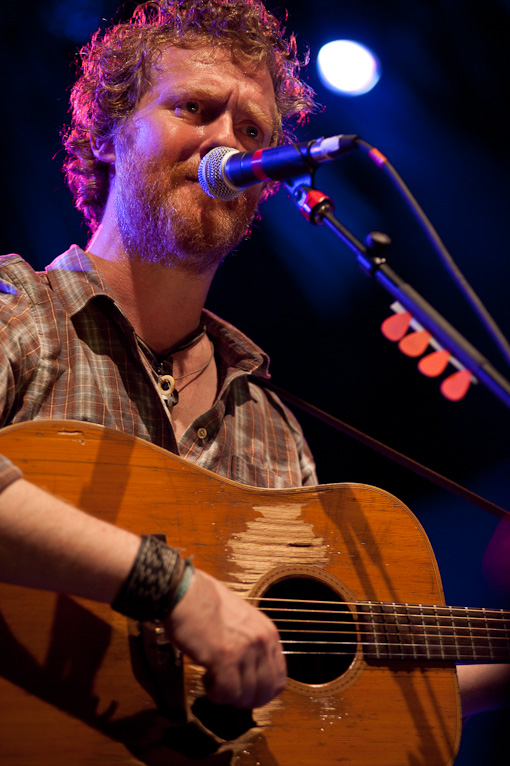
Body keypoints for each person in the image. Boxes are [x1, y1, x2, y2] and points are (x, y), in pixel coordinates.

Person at [0, 0, 507, 736]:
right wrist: (172, 588)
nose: (226, 142)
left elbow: (318, 694)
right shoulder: (16, 312)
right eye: (194, 108)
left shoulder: (271, 430)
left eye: (253, 132)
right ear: (109, 135)